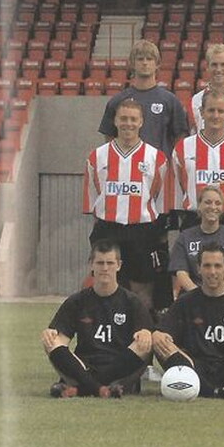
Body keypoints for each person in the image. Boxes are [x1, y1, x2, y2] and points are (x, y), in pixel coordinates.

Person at [84, 99, 170, 312]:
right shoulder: (97, 157)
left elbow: (161, 201)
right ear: (115, 121)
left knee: (143, 287)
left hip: (143, 231)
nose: (128, 123)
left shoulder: (156, 158)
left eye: (133, 119)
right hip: (108, 229)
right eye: (123, 118)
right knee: (106, 283)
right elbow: (94, 200)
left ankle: (144, 329)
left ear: (141, 122)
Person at [153, 244, 224, 398]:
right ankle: (214, 392)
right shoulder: (185, 302)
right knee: (158, 339)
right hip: (194, 367)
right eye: (207, 266)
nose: (212, 272)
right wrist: (161, 337)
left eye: (217, 266)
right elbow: (164, 332)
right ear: (199, 269)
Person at [42, 240, 152, 398]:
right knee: (51, 340)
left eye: (110, 263)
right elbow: (61, 340)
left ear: (119, 265)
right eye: (100, 263)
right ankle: (101, 389)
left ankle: (80, 389)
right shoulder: (77, 301)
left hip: (119, 368)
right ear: (91, 265)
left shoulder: (132, 302)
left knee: (145, 344)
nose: (105, 268)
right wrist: (50, 335)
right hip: (83, 367)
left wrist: (145, 334)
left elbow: (144, 337)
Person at [172, 89, 224, 233]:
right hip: (193, 220)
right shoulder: (183, 147)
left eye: (220, 111)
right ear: (201, 112)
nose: (215, 116)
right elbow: (177, 188)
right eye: (211, 110)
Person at [98, 39, 188, 158]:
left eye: (149, 59)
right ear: (132, 63)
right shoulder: (118, 101)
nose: (145, 63)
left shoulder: (170, 101)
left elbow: (180, 137)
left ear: (157, 64)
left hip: (159, 165)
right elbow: (109, 136)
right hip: (127, 166)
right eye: (140, 59)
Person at [169, 185, 224, 298]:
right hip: (193, 295)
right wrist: (200, 295)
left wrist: (218, 292)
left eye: (218, 203)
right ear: (199, 206)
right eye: (208, 202)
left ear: (222, 208)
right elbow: (181, 272)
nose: (213, 207)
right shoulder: (185, 237)